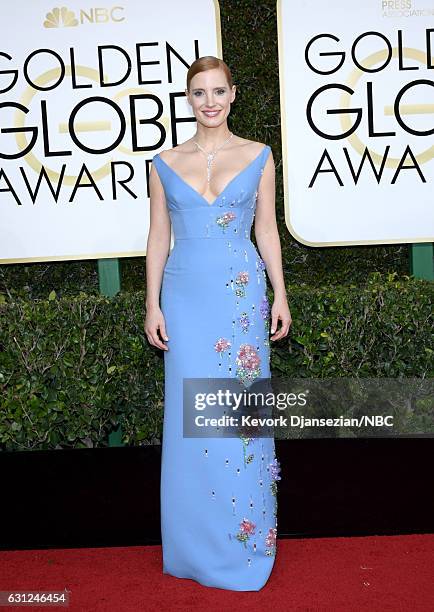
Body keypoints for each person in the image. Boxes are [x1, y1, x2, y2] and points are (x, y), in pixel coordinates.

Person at [145, 56, 291, 591]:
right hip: (183, 297)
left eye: (218, 91)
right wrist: (151, 304)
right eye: (198, 92)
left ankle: (244, 543)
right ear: (189, 99)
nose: (209, 101)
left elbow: (268, 232)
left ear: (233, 96)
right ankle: (192, 547)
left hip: (238, 297)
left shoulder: (258, 156)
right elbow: (158, 236)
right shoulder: (163, 163)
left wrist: (281, 292)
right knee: (190, 419)